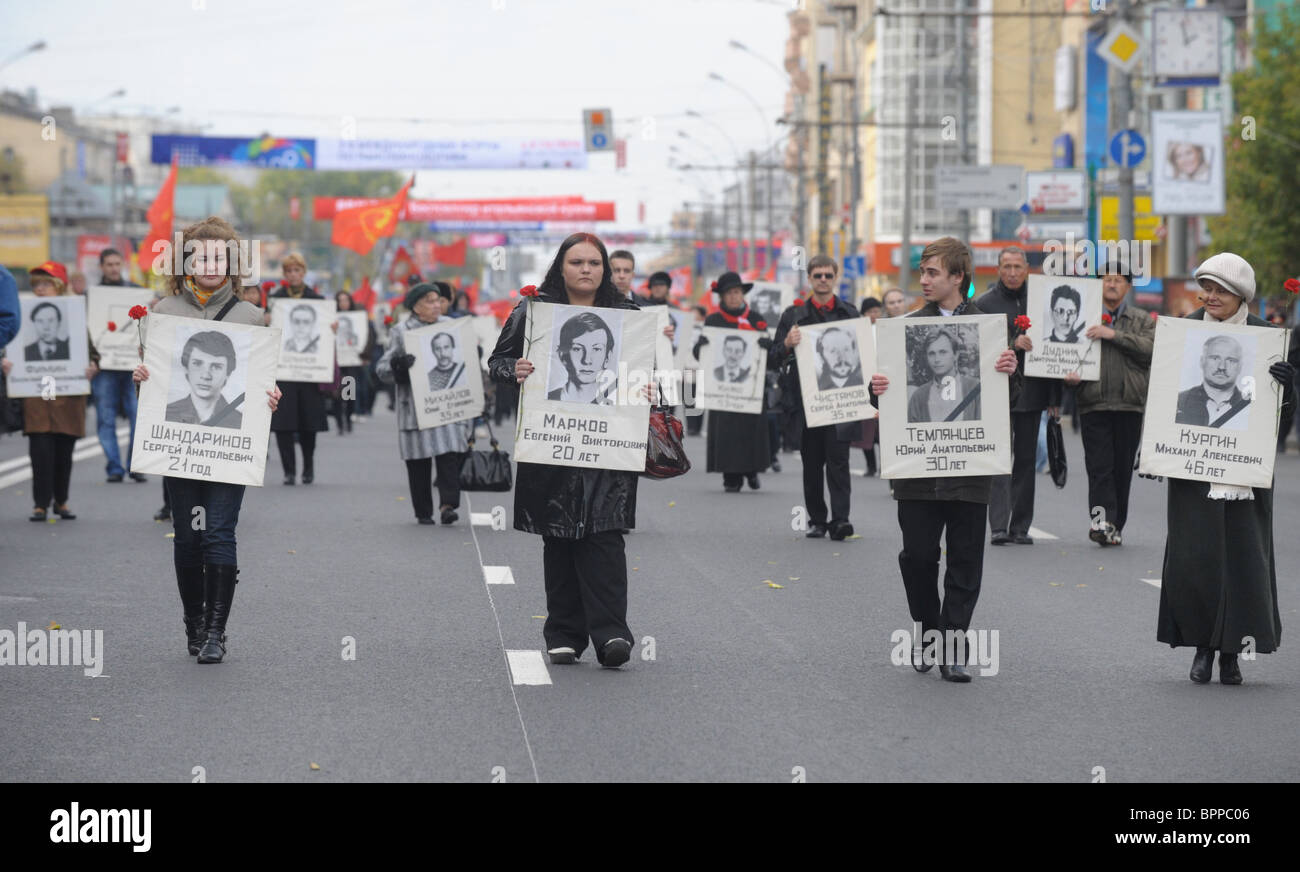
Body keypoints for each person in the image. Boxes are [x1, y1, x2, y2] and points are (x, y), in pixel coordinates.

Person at [869, 237, 1020, 682]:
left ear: (959, 277)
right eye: (923, 271)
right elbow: (882, 398)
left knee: (966, 559)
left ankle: (952, 645)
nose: (925, 279)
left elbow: (1009, 399)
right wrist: (874, 389)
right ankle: (928, 629)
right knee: (917, 557)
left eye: (934, 272)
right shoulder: (905, 327)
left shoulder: (990, 329)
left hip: (971, 471)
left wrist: (1011, 373)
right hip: (917, 472)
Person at [488, 232, 642, 668]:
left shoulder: (628, 315)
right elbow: (497, 362)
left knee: (605, 535)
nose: (587, 270)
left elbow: (653, 372)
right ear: (562, 266)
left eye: (595, 263)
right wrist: (512, 369)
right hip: (550, 441)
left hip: (608, 445)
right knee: (559, 537)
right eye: (577, 262)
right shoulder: (534, 312)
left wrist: (650, 382)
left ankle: (613, 634)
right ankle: (565, 635)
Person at [134, 216, 280, 664]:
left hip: (228, 447)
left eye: (220, 256)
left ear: (232, 263)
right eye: (202, 255)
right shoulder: (162, 313)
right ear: (186, 261)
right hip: (180, 448)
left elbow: (258, 383)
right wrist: (141, 378)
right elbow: (156, 385)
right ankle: (193, 622)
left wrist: (272, 395)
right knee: (188, 539)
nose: (211, 263)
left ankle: (216, 632)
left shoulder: (251, 316)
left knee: (219, 533)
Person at [1157, 252, 1295, 685]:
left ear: (1242, 296)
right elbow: (1162, 402)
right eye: (1208, 287)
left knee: (1243, 560)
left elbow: (1279, 427)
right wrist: (1153, 450)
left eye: (1221, 290)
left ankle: (1233, 652)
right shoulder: (1184, 335)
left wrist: (1288, 391)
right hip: (1192, 468)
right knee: (1195, 558)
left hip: (1245, 473)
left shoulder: (1268, 339)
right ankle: (1201, 647)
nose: (1211, 296)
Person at [769, 255, 860, 540]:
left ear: (835, 278)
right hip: (806, 402)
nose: (823, 280)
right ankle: (818, 520)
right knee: (812, 463)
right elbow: (772, 358)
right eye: (817, 275)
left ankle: (841, 519)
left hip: (840, 400)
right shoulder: (792, 316)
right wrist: (786, 344)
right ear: (809, 279)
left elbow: (863, 358)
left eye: (827, 275)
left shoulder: (849, 314)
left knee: (839, 462)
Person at [1064, 261, 1153, 547]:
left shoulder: (1141, 319)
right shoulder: (1083, 318)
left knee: (1122, 469)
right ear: (1097, 285)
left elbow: (1151, 351)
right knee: (1099, 469)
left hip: (1130, 405)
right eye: (1106, 279)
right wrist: (1070, 376)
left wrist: (1113, 335)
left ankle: (1116, 525)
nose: (1112, 284)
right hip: (1094, 403)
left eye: (1118, 280)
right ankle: (1101, 523)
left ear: (1127, 286)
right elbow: (1065, 353)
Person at [2, 263, 100, 521]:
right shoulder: (20, 317)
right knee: (40, 450)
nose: (40, 289)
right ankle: (40, 504)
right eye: (36, 285)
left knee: (64, 451)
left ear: (58, 285)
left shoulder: (76, 319)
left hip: (68, 399)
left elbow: (92, 353)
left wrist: (92, 366)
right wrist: (5, 361)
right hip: (37, 398)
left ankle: (61, 501)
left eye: (45, 284)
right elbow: (8, 346)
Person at [977, 247, 1061, 545]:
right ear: (998, 270)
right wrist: (1013, 343)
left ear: (1027, 269)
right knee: (999, 460)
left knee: (1026, 460)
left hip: (1035, 391)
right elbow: (977, 351)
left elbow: (1057, 351)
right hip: (998, 393)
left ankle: (1021, 526)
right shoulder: (984, 305)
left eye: (1017, 267)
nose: (1012, 272)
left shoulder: (1043, 302)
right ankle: (998, 525)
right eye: (1006, 267)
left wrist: (1055, 397)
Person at [377, 282, 472, 526]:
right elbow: (382, 369)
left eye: (438, 300)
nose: (436, 305)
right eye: (429, 301)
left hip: (446, 404)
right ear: (416, 307)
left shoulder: (450, 327)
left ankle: (448, 505)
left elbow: (467, 360)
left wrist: (474, 352)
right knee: (418, 463)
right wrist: (399, 366)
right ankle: (423, 512)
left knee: (449, 456)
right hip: (416, 408)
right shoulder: (402, 330)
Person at [694, 271, 771, 492]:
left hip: (750, 388)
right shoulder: (713, 320)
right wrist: (702, 346)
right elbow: (701, 355)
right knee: (726, 433)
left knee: (750, 431)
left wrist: (767, 346)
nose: (733, 297)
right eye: (729, 293)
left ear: (743, 294)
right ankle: (731, 477)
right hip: (723, 390)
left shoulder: (756, 319)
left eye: (736, 292)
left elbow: (769, 354)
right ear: (722, 297)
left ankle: (752, 471)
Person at [267, 253, 329, 485]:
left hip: (310, 373)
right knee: (283, 423)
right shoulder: (275, 301)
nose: (293, 275)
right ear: (284, 274)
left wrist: (331, 327)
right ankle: (289, 471)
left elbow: (326, 336)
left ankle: (308, 467)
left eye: (297, 270)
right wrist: (267, 319)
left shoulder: (319, 300)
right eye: (289, 271)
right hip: (283, 371)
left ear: (303, 273)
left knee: (308, 423)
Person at [91, 248, 148, 483]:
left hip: (132, 367)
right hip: (103, 367)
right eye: (109, 264)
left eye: (117, 263)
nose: (114, 268)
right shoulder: (92, 295)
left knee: (138, 415)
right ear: (101, 267)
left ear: (122, 264)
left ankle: (135, 465)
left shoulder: (137, 293)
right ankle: (114, 466)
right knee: (105, 417)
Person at [164, 331, 242, 428]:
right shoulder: (166, 414)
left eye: (216, 367)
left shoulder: (240, 423)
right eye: (197, 364)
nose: (205, 376)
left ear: (228, 373)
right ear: (186, 368)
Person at [906, 328, 981, 423]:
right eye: (931, 353)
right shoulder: (919, 396)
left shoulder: (975, 389)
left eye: (943, 352)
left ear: (955, 355)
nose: (937, 359)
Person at [1174, 335, 1250, 429]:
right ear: (1202, 361)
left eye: (1230, 360)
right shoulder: (1178, 401)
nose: (1222, 367)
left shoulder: (1250, 407)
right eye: (1215, 358)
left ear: (1240, 367)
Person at [547, 311, 618, 404]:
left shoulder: (619, 403)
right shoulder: (544, 399)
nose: (587, 360)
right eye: (577, 349)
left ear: (607, 357)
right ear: (563, 356)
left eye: (596, 349)